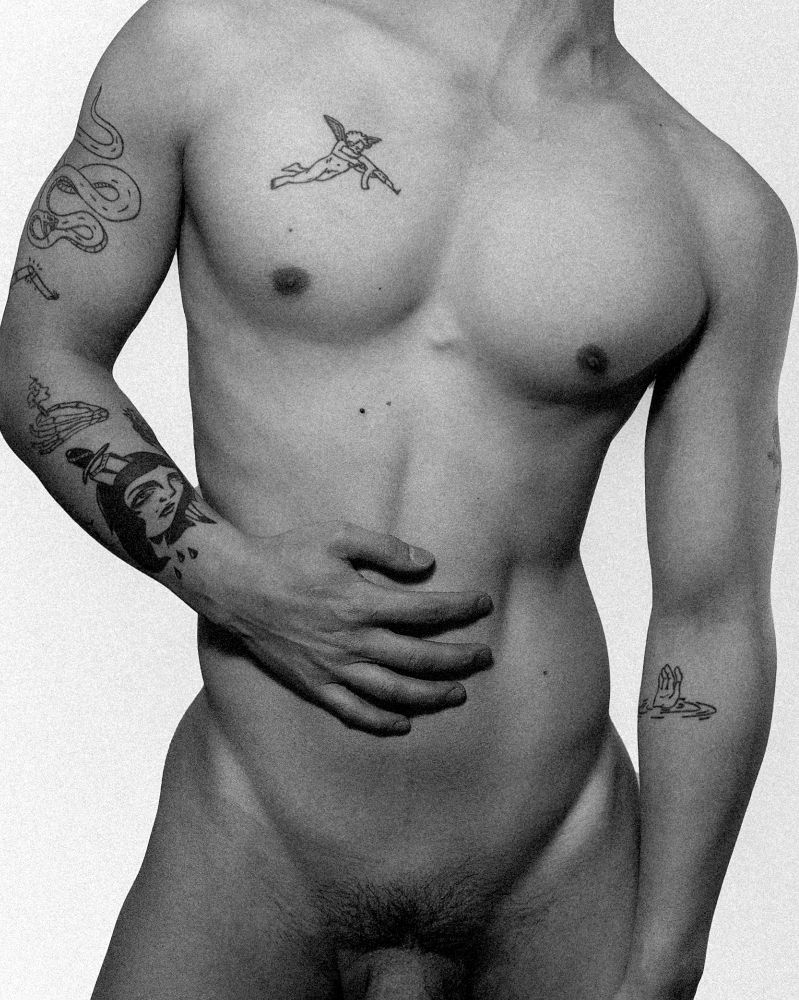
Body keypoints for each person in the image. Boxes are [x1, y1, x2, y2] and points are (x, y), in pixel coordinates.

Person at [0, 0, 795, 998]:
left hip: (557, 859)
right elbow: (42, 355)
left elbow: (710, 613)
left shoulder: (717, 207)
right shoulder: (205, 45)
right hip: (250, 832)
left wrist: (666, 960)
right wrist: (224, 573)